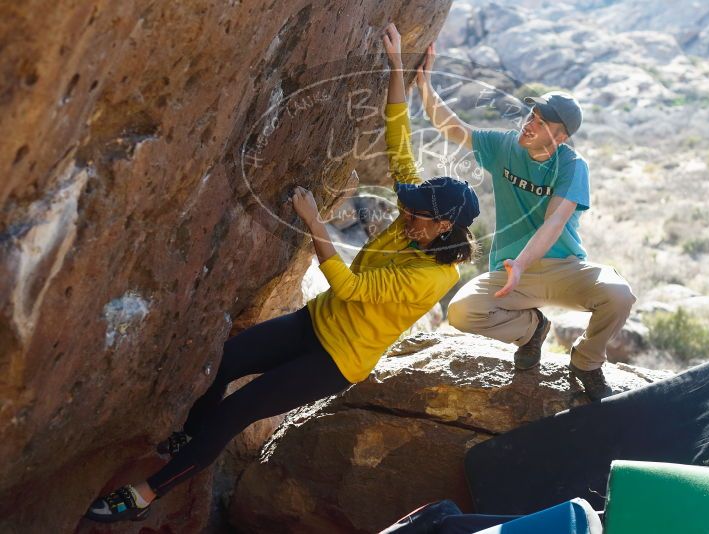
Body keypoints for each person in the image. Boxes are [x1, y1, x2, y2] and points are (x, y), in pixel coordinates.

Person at [85, 23, 479, 523]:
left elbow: (351, 286)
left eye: (418, 214)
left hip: (337, 359)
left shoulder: (433, 276)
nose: (406, 213)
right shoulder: (418, 214)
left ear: (444, 225)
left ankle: (146, 492)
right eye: (410, 205)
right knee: (225, 361)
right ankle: (193, 438)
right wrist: (398, 65)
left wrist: (314, 221)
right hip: (315, 321)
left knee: (238, 411)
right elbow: (397, 128)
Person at [415, 45, 636, 401]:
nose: (529, 124)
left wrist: (523, 262)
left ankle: (587, 360)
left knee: (619, 294)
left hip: (562, 267)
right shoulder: (505, 146)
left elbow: (554, 223)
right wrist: (424, 85)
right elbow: (452, 128)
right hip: (509, 272)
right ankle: (533, 329)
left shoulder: (572, 165)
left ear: (560, 137)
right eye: (531, 115)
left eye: (541, 122)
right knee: (460, 312)